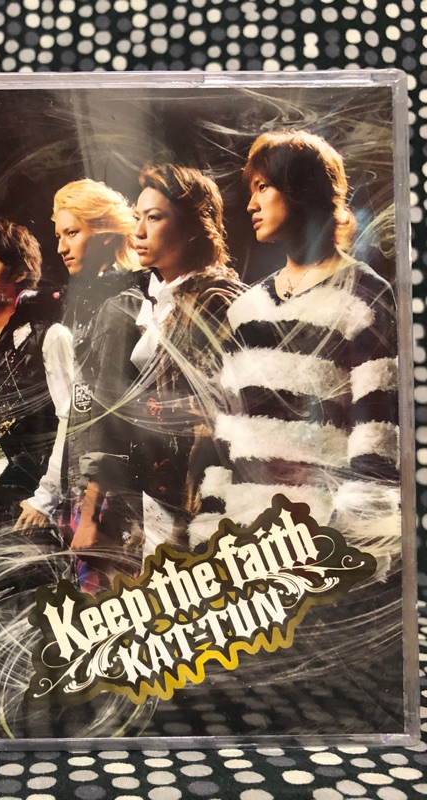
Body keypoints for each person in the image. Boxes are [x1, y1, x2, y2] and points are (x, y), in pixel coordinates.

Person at [189, 131, 399, 560]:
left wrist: (347, 544)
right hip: (241, 549)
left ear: (303, 188)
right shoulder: (246, 308)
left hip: (319, 546)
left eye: (263, 187)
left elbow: (375, 435)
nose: (251, 204)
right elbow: (227, 435)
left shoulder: (364, 293)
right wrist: (209, 531)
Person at [130, 163, 244, 555]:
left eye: (154, 218)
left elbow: (222, 417)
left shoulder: (214, 299)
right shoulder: (168, 299)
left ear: (194, 226)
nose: (138, 231)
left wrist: (204, 514)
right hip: (162, 495)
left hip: (200, 503)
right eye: (137, 217)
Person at [52, 179, 149, 590]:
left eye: (72, 233)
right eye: (58, 236)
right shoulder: (90, 304)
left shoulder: (120, 305)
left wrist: (90, 513)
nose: (61, 247)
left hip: (110, 499)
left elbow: (112, 418)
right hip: (86, 490)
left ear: (106, 234)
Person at [0, 218, 73, 546]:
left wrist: (46, 498)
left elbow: (71, 420)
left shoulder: (50, 336)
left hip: (29, 506)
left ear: (19, 272)